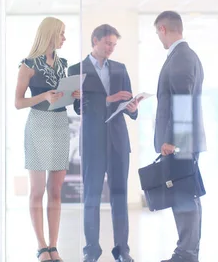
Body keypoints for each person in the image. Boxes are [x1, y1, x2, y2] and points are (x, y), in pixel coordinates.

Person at [68, 24, 139, 262]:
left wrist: (132, 108)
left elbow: (127, 101)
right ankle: (91, 251)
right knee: (91, 197)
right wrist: (108, 99)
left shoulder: (120, 69)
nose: (111, 48)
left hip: (118, 141)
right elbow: (78, 107)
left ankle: (122, 250)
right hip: (93, 142)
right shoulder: (77, 70)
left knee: (120, 196)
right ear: (95, 41)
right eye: (108, 43)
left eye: (114, 45)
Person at [15, 17, 80, 262]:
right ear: (50, 34)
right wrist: (43, 95)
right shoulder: (28, 64)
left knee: (56, 190)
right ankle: (41, 246)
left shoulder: (64, 64)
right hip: (39, 125)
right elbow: (18, 102)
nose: (64, 38)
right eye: (61, 33)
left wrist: (74, 95)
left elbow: (64, 98)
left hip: (60, 125)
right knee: (37, 190)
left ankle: (54, 246)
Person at [152, 11, 206, 262]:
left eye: (157, 33)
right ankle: (187, 252)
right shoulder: (186, 56)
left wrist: (174, 143)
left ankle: (186, 253)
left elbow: (182, 102)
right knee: (186, 195)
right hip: (182, 141)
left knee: (184, 196)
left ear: (163, 29)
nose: (159, 39)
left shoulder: (181, 57)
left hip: (179, 143)